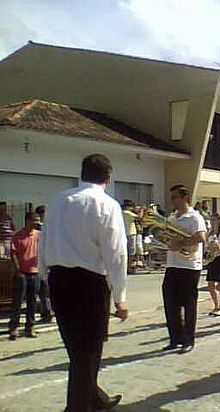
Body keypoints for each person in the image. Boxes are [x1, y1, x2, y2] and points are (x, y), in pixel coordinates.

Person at [41, 153, 128, 412]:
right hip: (89, 283)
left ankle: (96, 399)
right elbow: (116, 253)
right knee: (88, 352)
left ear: (82, 174)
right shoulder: (107, 204)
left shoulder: (58, 200)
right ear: (108, 177)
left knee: (76, 349)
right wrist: (120, 297)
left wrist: (45, 277)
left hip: (58, 280)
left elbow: (44, 240)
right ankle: (78, 407)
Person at [163, 185, 207, 353]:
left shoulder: (195, 217)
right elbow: (166, 235)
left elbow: (201, 237)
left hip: (189, 266)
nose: (173, 200)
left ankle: (188, 340)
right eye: (172, 197)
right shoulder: (172, 217)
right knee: (170, 303)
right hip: (173, 264)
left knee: (189, 305)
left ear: (185, 198)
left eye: (175, 197)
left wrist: (179, 243)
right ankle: (175, 338)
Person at [8, 212, 42, 340]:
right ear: (28, 221)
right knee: (17, 301)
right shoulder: (17, 236)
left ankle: (30, 327)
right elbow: (14, 254)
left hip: (35, 272)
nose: (37, 222)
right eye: (35, 220)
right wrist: (18, 270)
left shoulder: (39, 236)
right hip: (21, 273)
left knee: (32, 301)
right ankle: (14, 327)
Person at [34, 205, 53, 323]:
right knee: (44, 290)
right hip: (44, 261)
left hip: (44, 262)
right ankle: (47, 312)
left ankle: (47, 313)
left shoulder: (44, 228)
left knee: (44, 290)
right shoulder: (47, 227)